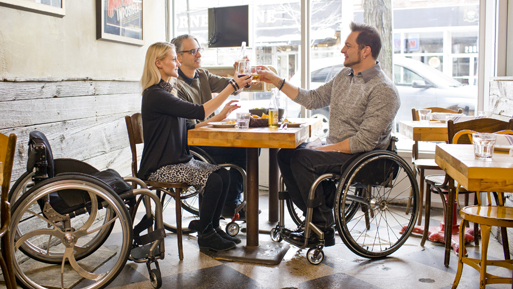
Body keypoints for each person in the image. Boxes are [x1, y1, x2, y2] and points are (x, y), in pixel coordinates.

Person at [257, 22, 400, 247]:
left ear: (366, 51)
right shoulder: (345, 76)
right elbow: (313, 99)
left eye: (348, 45)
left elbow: (362, 142)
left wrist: (319, 148)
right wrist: (276, 81)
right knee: (285, 155)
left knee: (303, 158)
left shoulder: (384, 90)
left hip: (363, 157)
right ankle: (317, 218)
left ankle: (321, 227)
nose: (342, 50)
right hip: (338, 149)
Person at [137, 42, 252, 251]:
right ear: (158, 63)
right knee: (213, 180)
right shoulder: (155, 95)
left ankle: (212, 227)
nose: (177, 62)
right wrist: (232, 86)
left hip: (179, 160)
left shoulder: (167, 92)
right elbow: (199, 111)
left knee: (222, 175)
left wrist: (220, 116)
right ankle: (206, 235)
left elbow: (191, 125)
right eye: (173, 58)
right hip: (161, 167)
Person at [171, 34, 248, 217]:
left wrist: (242, 76)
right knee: (246, 151)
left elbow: (234, 86)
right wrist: (219, 117)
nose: (198, 54)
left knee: (251, 149)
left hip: (211, 138)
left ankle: (230, 201)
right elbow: (189, 129)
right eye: (192, 51)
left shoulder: (202, 75)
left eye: (199, 50)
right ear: (178, 57)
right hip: (193, 146)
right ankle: (230, 203)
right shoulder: (175, 88)